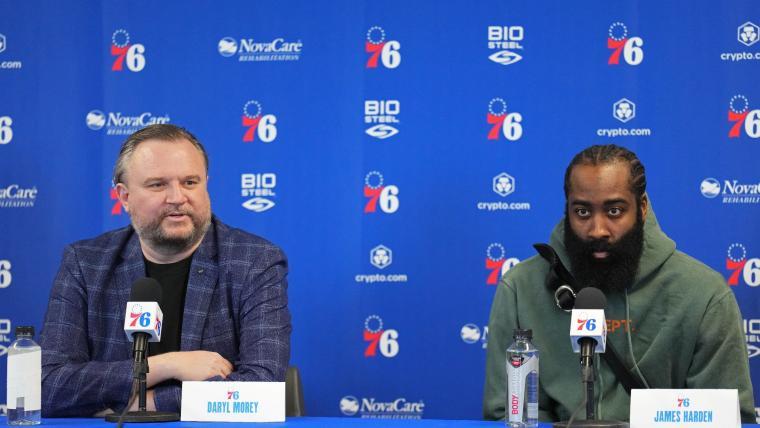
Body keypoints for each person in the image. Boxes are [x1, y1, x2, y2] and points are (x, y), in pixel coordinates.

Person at [483, 144, 756, 423]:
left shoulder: (705, 294)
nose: (598, 230)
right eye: (582, 212)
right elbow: (510, 414)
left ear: (642, 208)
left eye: (614, 211)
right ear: (567, 211)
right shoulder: (520, 288)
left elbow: (727, 418)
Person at [40, 124, 291, 416]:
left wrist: (146, 404)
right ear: (124, 197)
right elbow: (48, 386)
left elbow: (261, 387)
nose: (177, 197)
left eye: (190, 182)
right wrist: (165, 365)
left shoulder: (254, 261)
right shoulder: (85, 263)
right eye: (158, 185)